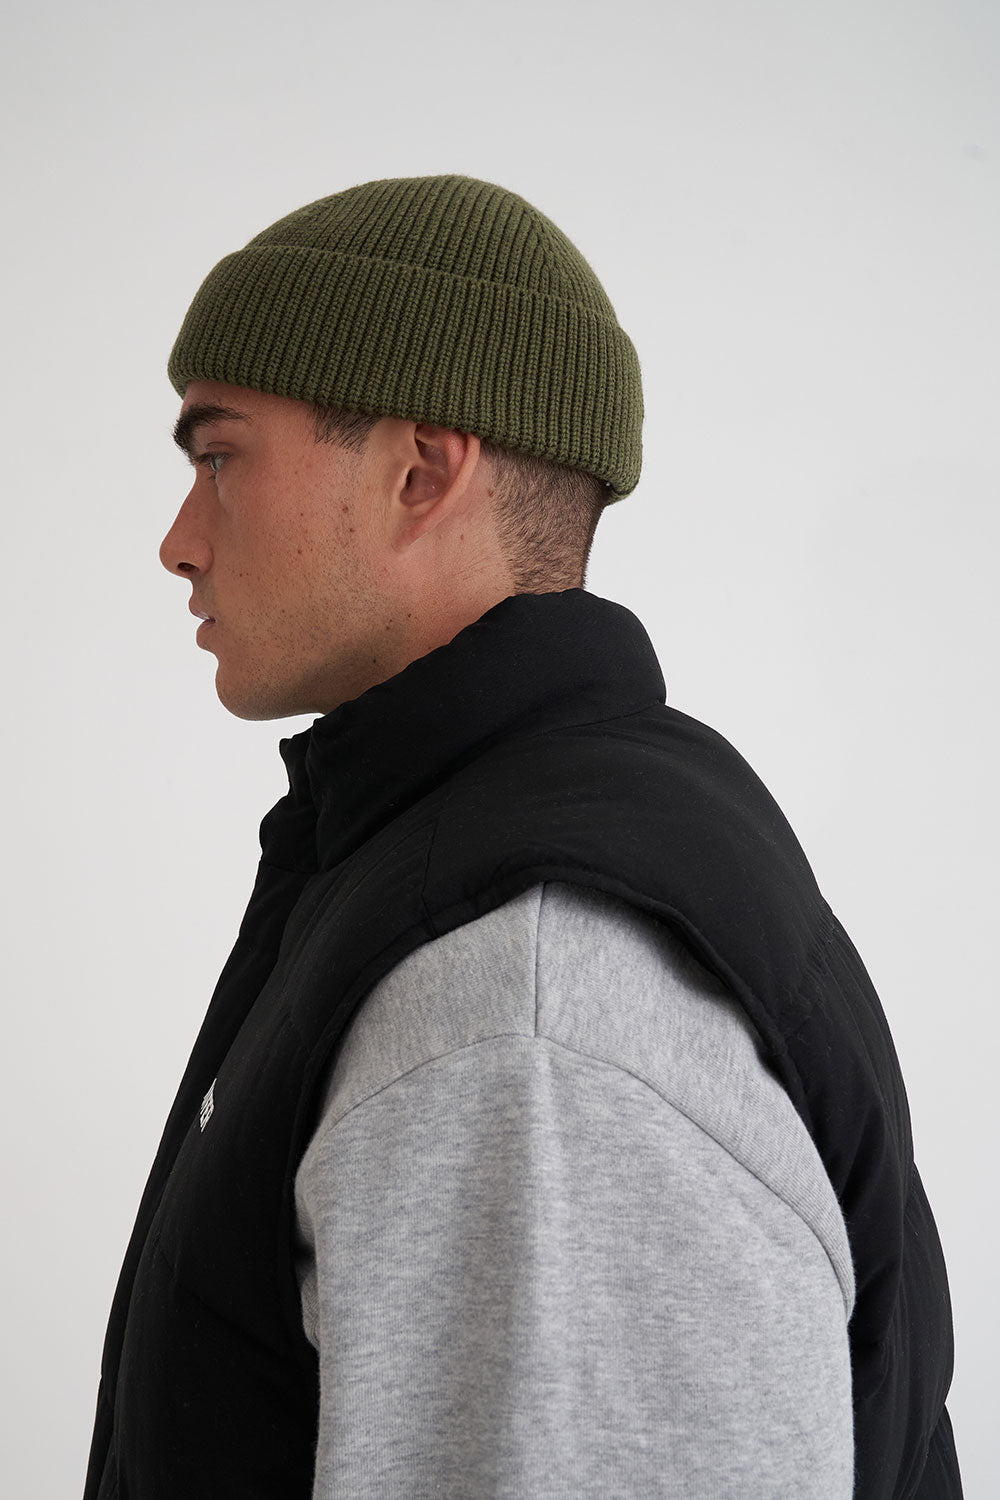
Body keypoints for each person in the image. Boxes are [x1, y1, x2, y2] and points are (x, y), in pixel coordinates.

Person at [84, 175, 962, 1499]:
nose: (178, 541)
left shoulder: (528, 1005)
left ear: (420, 472)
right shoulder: (454, 851)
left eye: (219, 458)